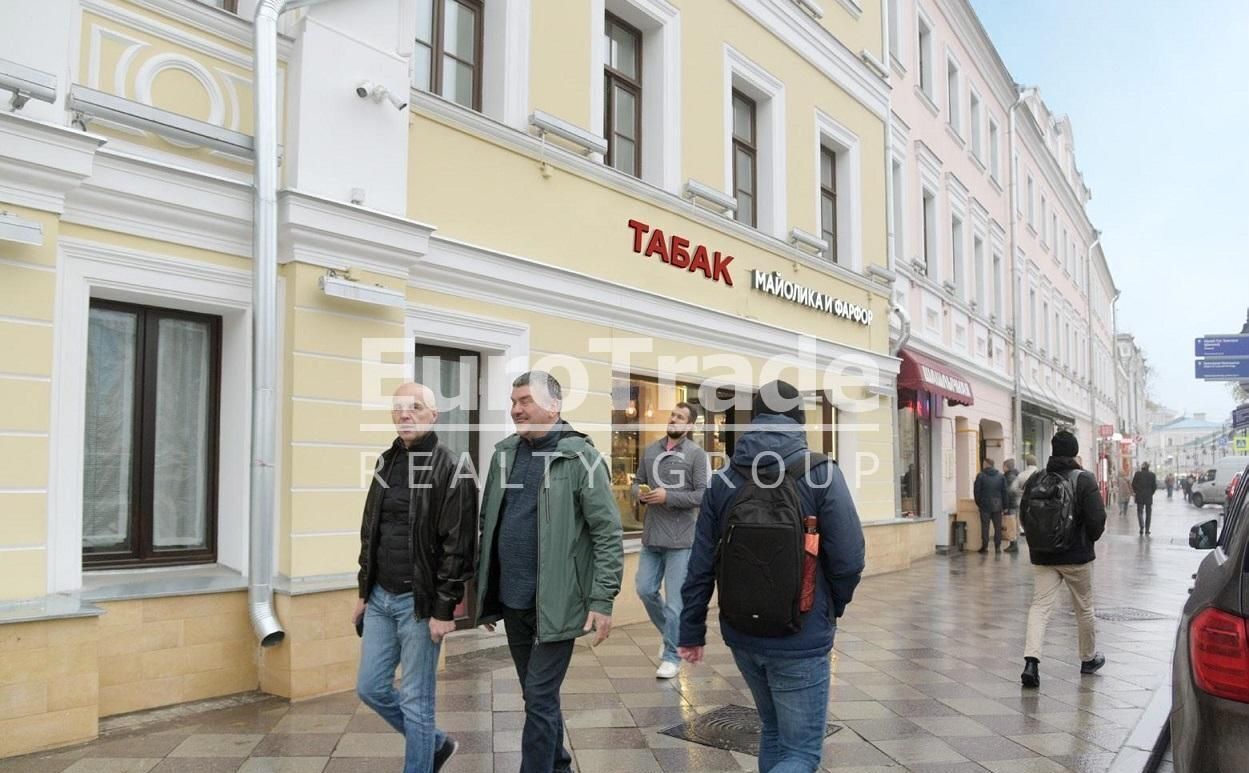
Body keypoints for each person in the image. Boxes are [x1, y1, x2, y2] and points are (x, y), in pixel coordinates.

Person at [679, 380, 865, 773]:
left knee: (774, 732)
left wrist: (691, 629)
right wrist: (833, 607)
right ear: (800, 420)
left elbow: (700, 563)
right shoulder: (821, 473)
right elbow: (849, 559)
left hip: (742, 633)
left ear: (754, 419)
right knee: (801, 753)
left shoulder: (724, 479)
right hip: (802, 632)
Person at [473, 371, 624, 773]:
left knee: (538, 698)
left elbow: (607, 532)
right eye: (513, 400)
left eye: (524, 400)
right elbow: (490, 522)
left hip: (559, 601)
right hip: (513, 598)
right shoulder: (504, 453)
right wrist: (484, 590)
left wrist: (602, 598)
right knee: (535, 695)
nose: (515, 408)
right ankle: (557, 764)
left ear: (554, 406)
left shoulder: (581, 457)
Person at [354, 383, 479, 773]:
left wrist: (445, 608)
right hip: (379, 597)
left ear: (433, 415)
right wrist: (363, 590)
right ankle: (436, 745)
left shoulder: (453, 466)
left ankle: (421, 761)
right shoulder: (385, 461)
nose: (405, 414)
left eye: (415, 407)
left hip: (419, 605)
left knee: (416, 700)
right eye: (398, 408)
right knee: (371, 687)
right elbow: (369, 530)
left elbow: (458, 546)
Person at [1020, 430, 1106, 688]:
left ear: (1053, 451)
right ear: (1075, 452)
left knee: (1040, 607)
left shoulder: (1037, 478)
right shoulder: (1084, 479)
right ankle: (1088, 659)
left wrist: (1038, 543)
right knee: (1084, 607)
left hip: (1043, 556)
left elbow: (1025, 515)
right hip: (1076, 556)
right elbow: (1097, 521)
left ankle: (1031, 662)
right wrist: (1088, 540)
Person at [633, 402, 709, 679]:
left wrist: (669, 497)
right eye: (673, 415)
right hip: (652, 535)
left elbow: (702, 496)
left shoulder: (696, 455)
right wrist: (639, 493)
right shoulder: (651, 451)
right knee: (644, 589)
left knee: (676, 603)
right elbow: (637, 480)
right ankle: (672, 637)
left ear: (689, 426)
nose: (674, 419)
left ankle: (671, 657)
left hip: (682, 539)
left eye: (680, 417)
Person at [973, 458, 1008, 554]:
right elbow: (1004, 492)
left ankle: (985, 547)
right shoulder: (1001, 476)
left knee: (985, 527)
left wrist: (979, 503)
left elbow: (976, 492)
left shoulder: (980, 476)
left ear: (985, 464)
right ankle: (997, 547)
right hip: (998, 505)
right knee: (997, 527)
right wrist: (1005, 506)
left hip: (984, 505)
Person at [1132, 462, 1158, 536]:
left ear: (1142, 467)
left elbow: (1133, 484)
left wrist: (1137, 491)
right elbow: (1154, 486)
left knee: (1139, 512)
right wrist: (1151, 493)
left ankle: (1141, 526)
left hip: (1139, 496)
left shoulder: (1137, 474)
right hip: (1148, 496)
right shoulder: (1152, 475)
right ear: (1148, 467)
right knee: (1148, 513)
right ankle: (1147, 529)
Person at [1002, 459, 1020, 553]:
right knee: (1013, 524)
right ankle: (1013, 544)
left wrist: (1005, 506)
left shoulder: (1009, 477)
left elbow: (1008, 493)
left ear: (1007, 467)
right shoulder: (1014, 475)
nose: (1002, 468)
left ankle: (1013, 545)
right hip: (1014, 504)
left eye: (1003, 466)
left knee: (1011, 525)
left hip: (1010, 504)